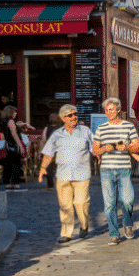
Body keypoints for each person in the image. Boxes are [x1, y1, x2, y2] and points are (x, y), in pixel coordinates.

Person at [39, 104, 94, 244]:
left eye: (75, 114)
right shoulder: (57, 135)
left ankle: (83, 224)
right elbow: (48, 153)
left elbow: (95, 147)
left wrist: (100, 155)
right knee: (65, 206)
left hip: (82, 174)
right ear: (63, 118)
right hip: (63, 174)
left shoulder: (86, 131)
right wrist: (43, 168)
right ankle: (66, 233)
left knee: (81, 203)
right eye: (70, 115)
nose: (74, 117)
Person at [92, 98, 139, 245]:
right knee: (109, 204)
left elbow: (137, 147)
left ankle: (127, 222)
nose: (108, 112)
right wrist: (103, 149)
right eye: (106, 110)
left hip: (124, 169)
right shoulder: (101, 128)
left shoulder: (128, 126)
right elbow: (95, 150)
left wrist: (126, 147)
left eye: (111, 109)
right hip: (106, 170)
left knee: (128, 200)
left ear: (118, 110)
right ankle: (114, 233)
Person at [0, 105, 26, 188]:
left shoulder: (4, 121)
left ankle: (7, 182)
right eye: (15, 112)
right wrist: (20, 145)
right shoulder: (11, 121)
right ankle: (15, 182)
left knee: (8, 164)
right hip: (14, 144)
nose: (16, 113)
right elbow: (14, 134)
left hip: (7, 145)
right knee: (16, 164)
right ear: (11, 112)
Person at [41, 113, 62, 190]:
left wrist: (41, 151)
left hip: (50, 151)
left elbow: (43, 140)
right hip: (59, 151)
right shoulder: (62, 128)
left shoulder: (47, 128)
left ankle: (50, 185)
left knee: (49, 168)